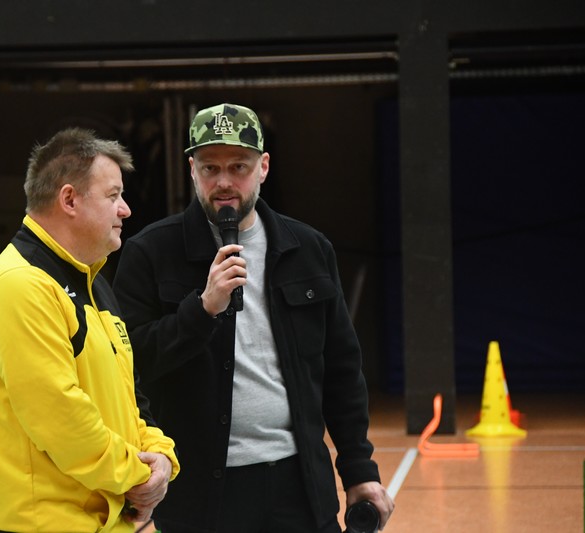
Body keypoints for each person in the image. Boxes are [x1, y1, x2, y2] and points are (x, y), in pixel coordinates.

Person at [112, 103, 394, 532]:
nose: (224, 181)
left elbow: (341, 370)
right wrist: (202, 310)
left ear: (263, 167)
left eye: (238, 167)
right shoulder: (150, 252)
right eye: (210, 168)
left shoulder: (308, 248)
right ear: (192, 170)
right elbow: (130, 366)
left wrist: (359, 471)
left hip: (298, 484)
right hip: (201, 494)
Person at [0, 128, 180, 533]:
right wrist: (137, 477)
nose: (126, 209)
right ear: (69, 200)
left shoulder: (93, 283)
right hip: (38, 524)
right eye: (113, 196)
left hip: (99, 518)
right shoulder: (20, 287)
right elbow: (62, 420)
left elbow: (129, 398)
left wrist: (160, 456)